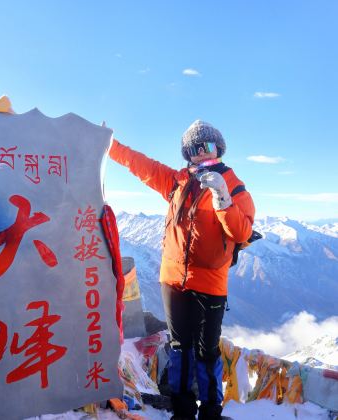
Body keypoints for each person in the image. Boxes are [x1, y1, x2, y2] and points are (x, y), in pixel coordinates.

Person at [108, 120, 255, 420]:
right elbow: (142, 166)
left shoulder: (234, 186)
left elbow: (241, 233)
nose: (201, 155)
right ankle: (183, 411)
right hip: (172, 280)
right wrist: (110, 146)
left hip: (211, 282)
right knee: (179, 348)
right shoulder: (177, 181)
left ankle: (211, 412)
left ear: (219, 149)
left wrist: (222, 198)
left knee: (207, 351)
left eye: (207, 148)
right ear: (187, 153)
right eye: (194, 149)